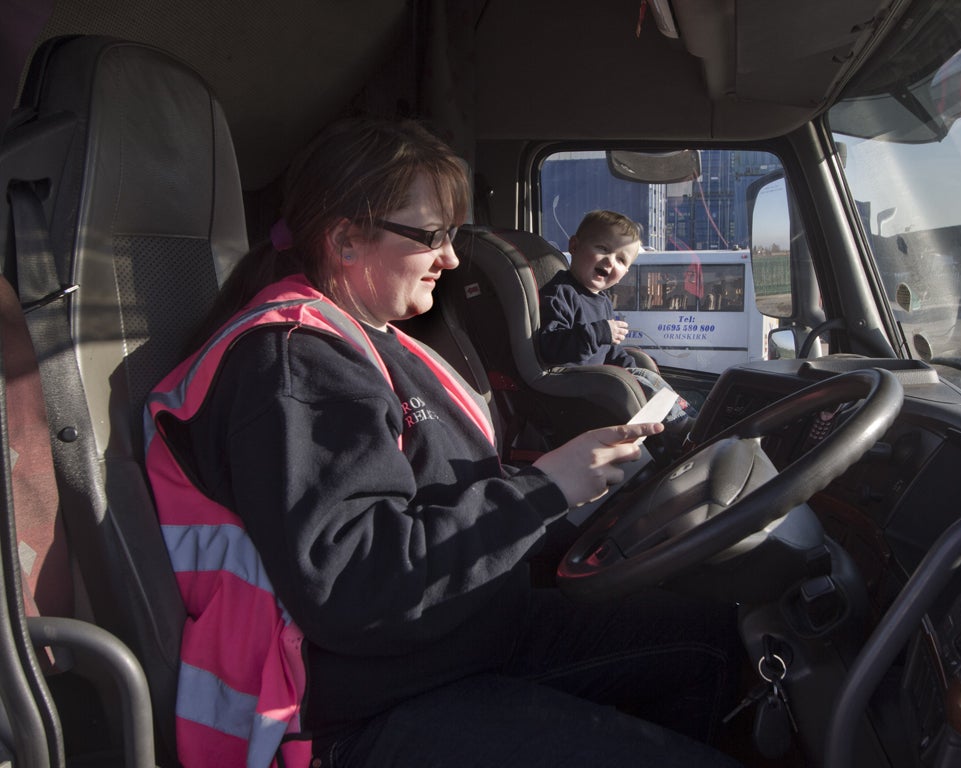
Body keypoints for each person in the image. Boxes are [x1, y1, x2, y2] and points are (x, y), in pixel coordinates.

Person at [144, 117, 742, 768]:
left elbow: (439, 496)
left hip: (463, 633)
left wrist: (567, 495)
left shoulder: (373, 337)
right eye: (431, 236)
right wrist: (546, 489)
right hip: (369, 705)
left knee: (711, 640)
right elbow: (354, 584)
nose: (452, 259)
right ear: (346, 239)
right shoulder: (296, 364)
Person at [538, 210, 697, 432]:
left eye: (621, 259)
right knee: (643, 383)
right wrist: (600, 332)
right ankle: (683, 431)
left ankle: (689, 421)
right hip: (571, 390)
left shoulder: (602, 301)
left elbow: (608, 352)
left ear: (624, 273)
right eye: (602, 248)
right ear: (574, 246)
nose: (610, 261)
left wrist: (631, 369)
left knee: (646, 377)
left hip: (596, 385)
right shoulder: (559, 293)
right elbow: (551, 347)